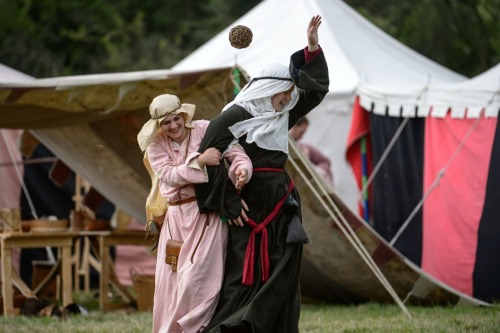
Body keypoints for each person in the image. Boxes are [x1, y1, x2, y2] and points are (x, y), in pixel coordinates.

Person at [195, 15, 329, 333]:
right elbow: (208, 160)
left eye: (291, 91)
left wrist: (311, 48)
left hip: (282, 203)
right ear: (269, 86)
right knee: (245, 271)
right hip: (249, 203)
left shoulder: (282, 114)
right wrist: (227, 202)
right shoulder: (233, 117)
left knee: (285, 266)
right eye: (285, 90)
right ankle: (233, 327)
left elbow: (317, 91)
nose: (289, 97)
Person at [137, 94, 252, 333]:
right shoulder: (157, 145)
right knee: (172, 283)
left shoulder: (205, 129)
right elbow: (168, 175)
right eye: (166, 122)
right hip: (175, 220)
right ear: (159, 126)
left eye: (176, 119)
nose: (173, 126)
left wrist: (242, 169)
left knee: (199, 279)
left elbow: (234, 151)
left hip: (206, 215)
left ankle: (196, 329)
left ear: (183, 115)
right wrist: (200, 161)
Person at [289, 116, 334, 186]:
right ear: (294, 126)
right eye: (301, 132)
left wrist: (317, 171)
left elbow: (325, 161)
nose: (302, 137)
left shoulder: (305, 148)